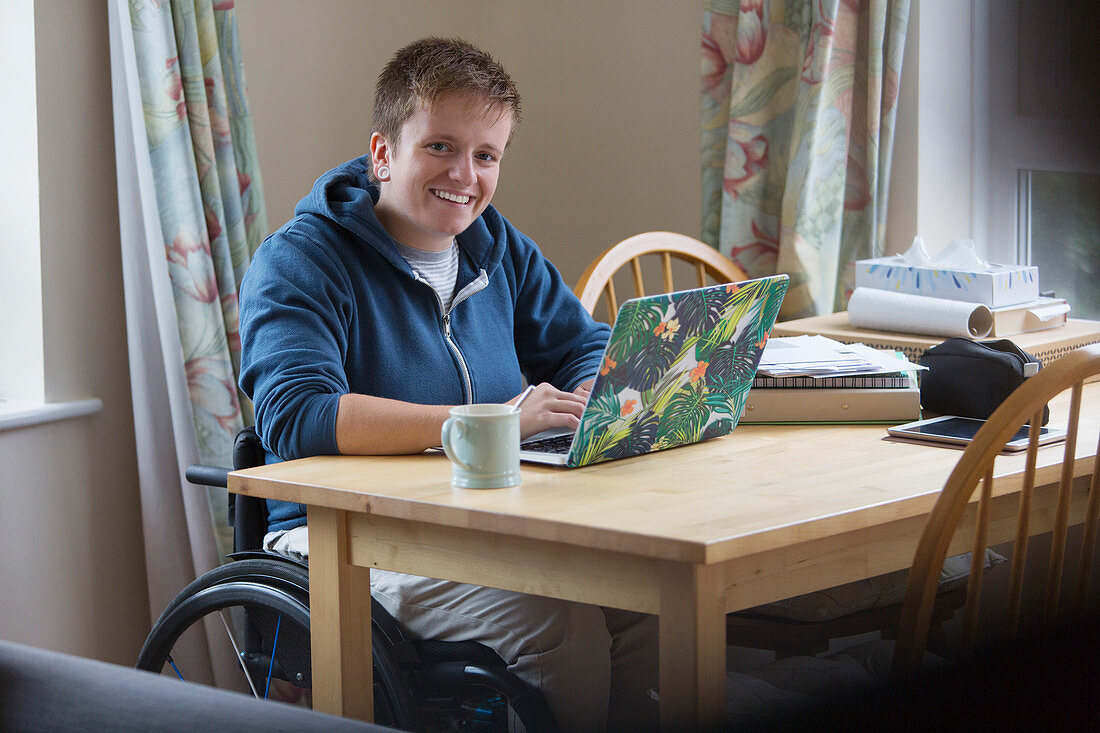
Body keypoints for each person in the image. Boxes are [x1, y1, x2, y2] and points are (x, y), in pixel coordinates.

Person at [238, 37, 658, 730]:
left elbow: (585, 341)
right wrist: (489, 419)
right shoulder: (300, 261)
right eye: (440, 146)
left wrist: (590, 397)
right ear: (382, 154)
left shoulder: (493, 244)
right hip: (341, 533)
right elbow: (299, 415)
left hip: (473, 517)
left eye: (486, 154)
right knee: (562, 624)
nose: (465, 174)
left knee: (645, 603)